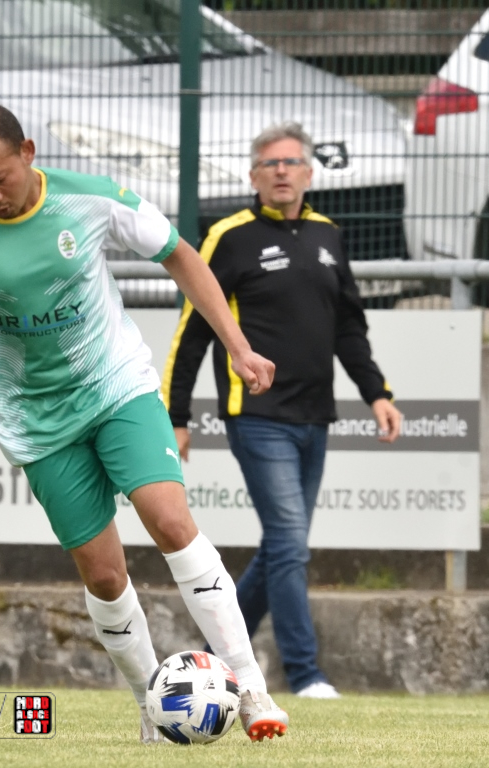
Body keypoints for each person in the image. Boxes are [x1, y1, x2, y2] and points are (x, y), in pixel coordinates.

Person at [0, 103, 289, 743]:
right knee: (104, 575)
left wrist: (238, 346)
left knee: (170, 521)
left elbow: (179, 253)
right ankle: (150, 704)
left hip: (117, 388)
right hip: (36, 422)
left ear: (28, 152)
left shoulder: (90, 199)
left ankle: (250, 688)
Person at [162, 122, 402, 700]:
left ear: (309, 173)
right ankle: (305, 673)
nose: (281, 172)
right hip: (257, 416)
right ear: (253, 175)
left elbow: (349, 327)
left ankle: (217, 651)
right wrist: (177, 416)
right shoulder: (228, 237)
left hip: (315, 417)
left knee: (280, 547)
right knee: (291, 544)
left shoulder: (329, 236)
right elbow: (193, 332)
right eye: (270, 163)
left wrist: (377, 392)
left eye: (292, 162)